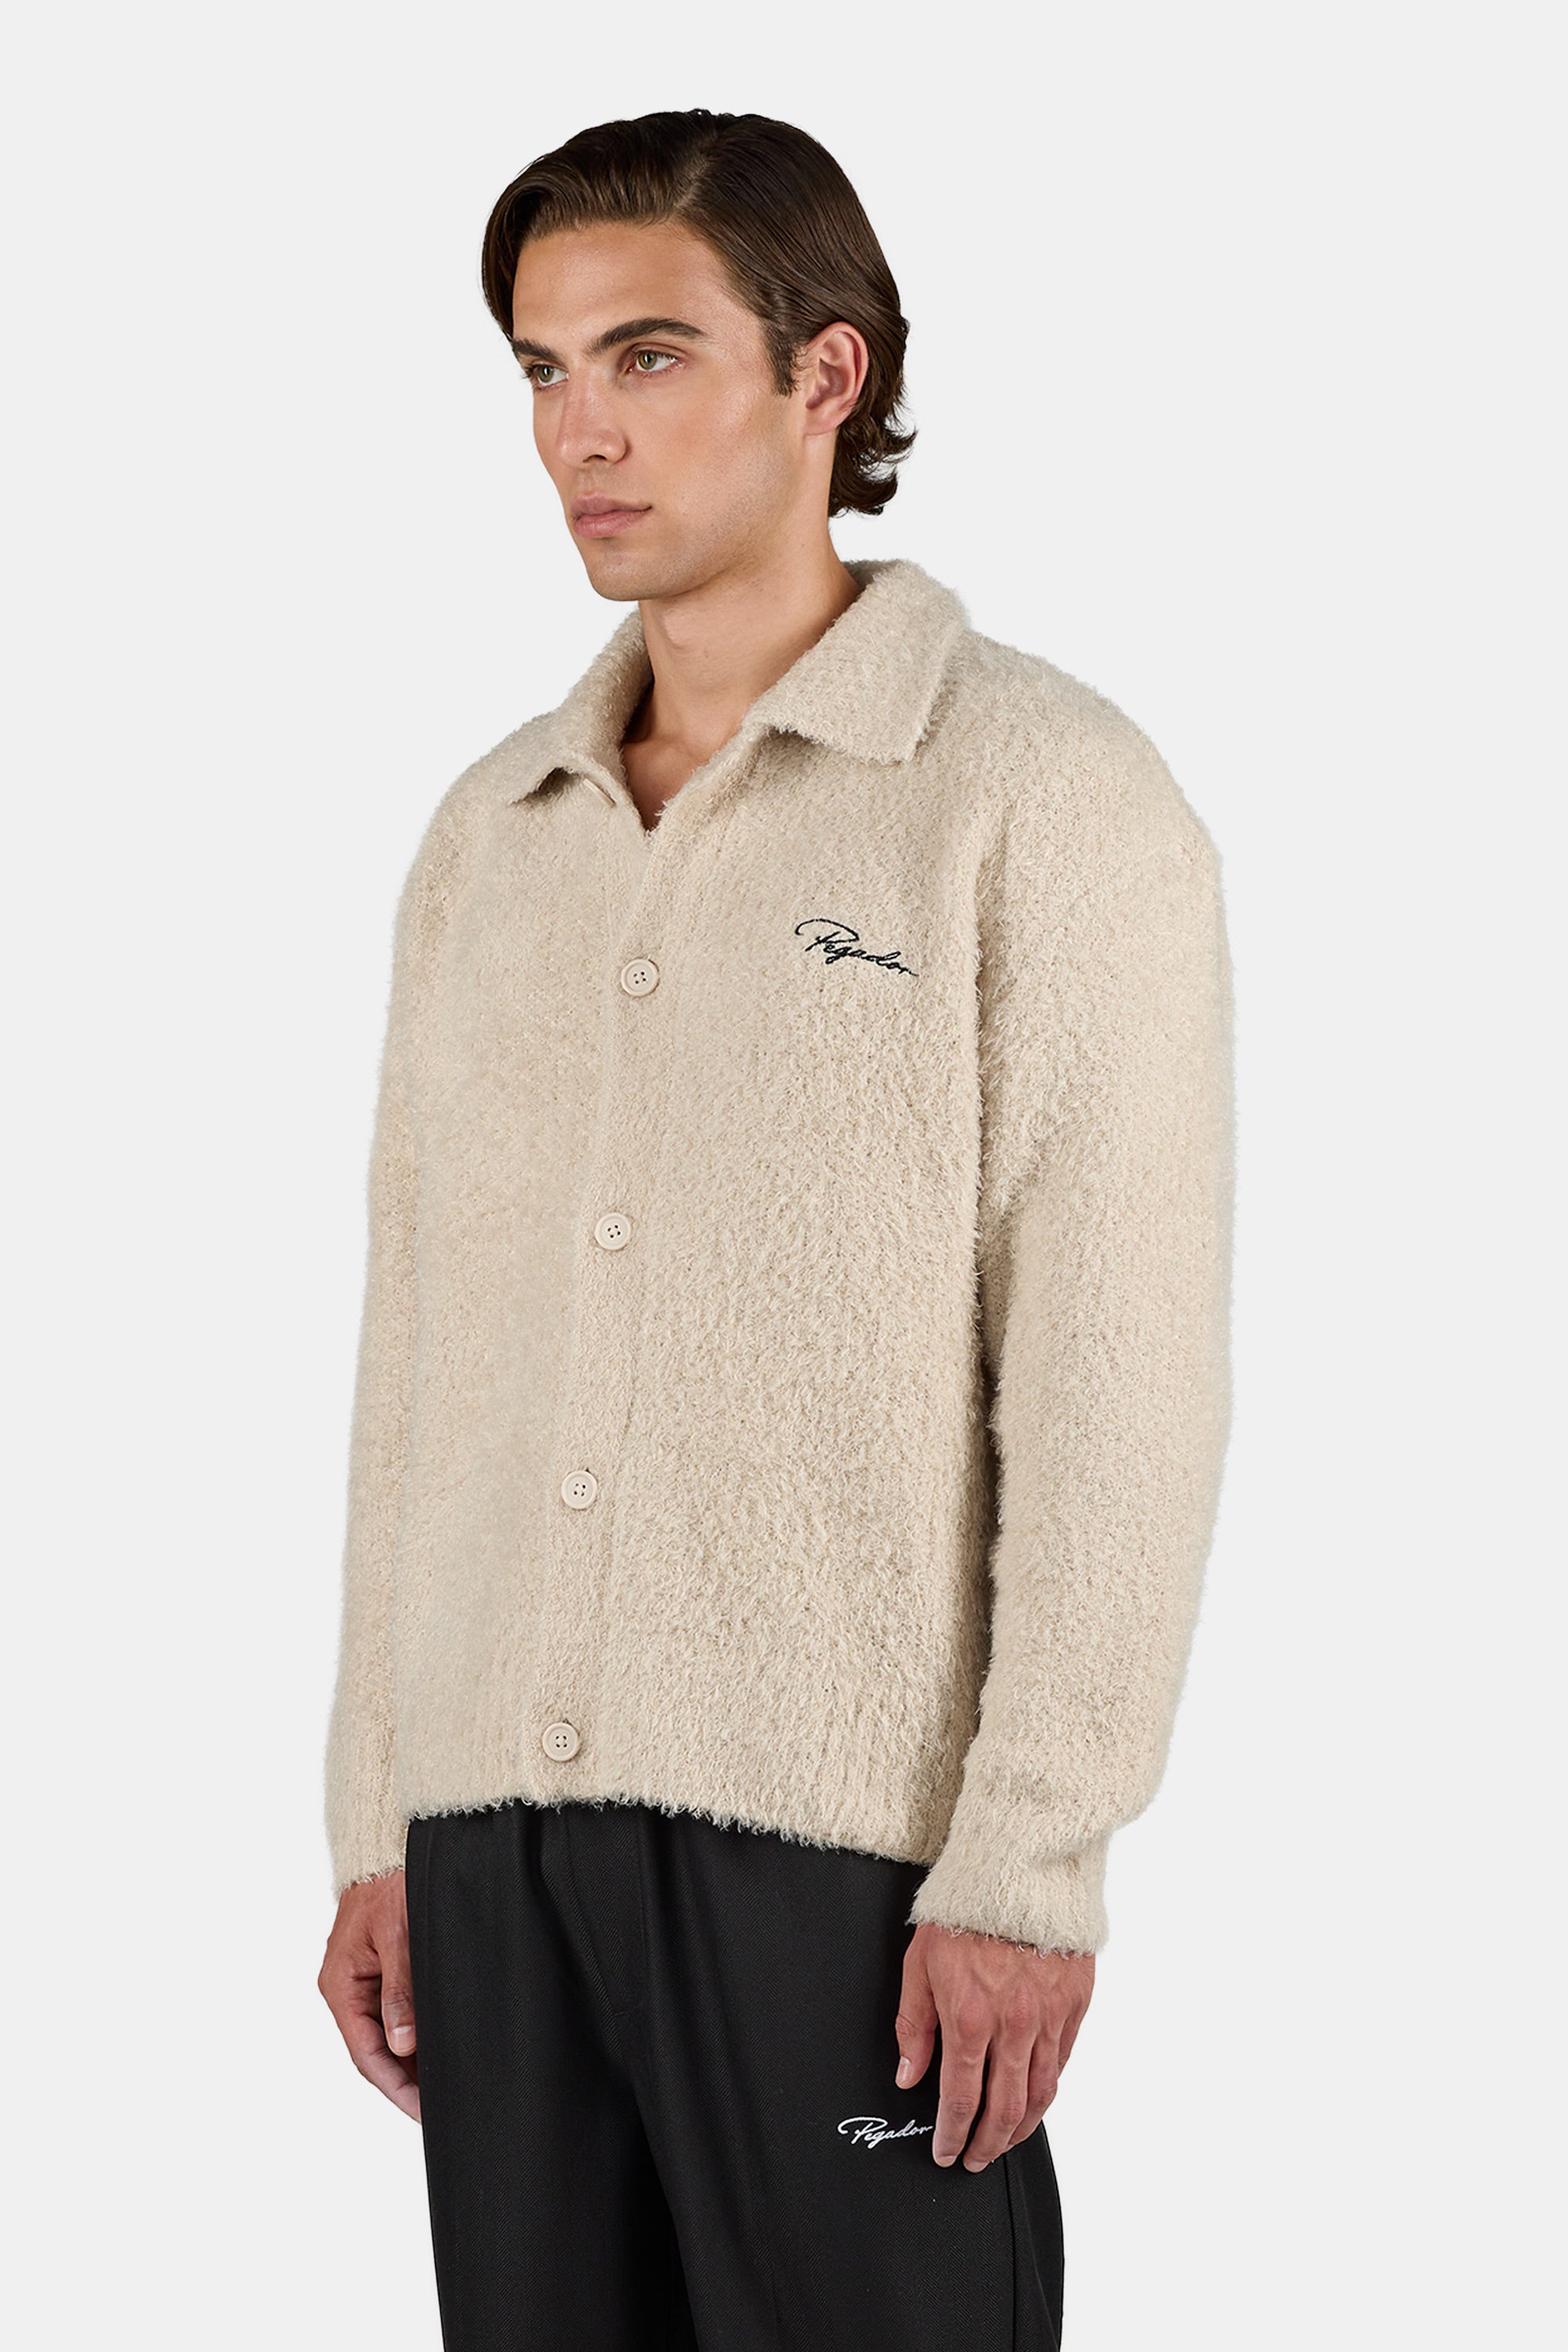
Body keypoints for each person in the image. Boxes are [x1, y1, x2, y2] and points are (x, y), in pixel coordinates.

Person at [317, 107, 1232, 2352]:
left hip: (854, 1871)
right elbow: (417, 1355)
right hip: (494, 1857)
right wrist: (382, 1817)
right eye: (543, 371)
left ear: (829, 374)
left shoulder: (1033, 794)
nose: (581, 432)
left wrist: (1032, 1860)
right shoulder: (494, 834)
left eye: (648, 356)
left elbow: (1119, 1368)